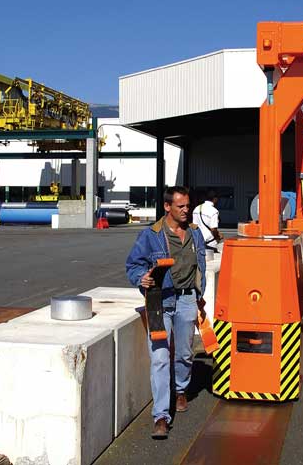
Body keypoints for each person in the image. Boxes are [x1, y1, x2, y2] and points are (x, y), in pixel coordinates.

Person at [125, 186, 206, 439]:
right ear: (167, 207)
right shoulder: (151, 235)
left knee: (183, 353)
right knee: (160, 358)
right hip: (160, 302)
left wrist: (199, 296)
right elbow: (134, 265)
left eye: (188, 205)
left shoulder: (195, 233)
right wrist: (142, 278)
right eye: (181, 206)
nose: (186, 210)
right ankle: (161, 415)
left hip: (186, 301)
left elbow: (200, 265)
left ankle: (180, 389)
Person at [192, 189, 223, 260]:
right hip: (210, 244)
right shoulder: (214, 211)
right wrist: (217, 236)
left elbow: (194, 226)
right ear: (215, 199)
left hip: (198, 243)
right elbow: (213, 229)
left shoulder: (197, 209)